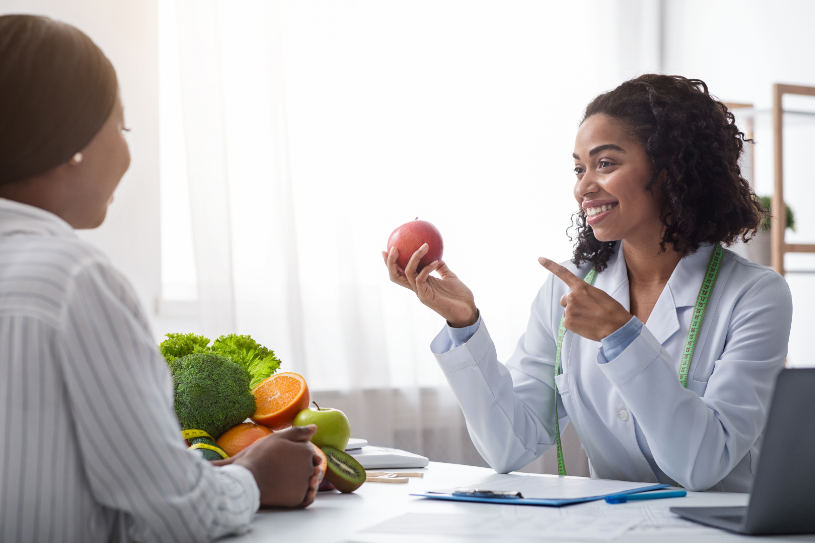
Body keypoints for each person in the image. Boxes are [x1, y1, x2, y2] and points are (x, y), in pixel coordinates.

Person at [384, 74, 793, 492]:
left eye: (606, 163)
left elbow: (704, 463)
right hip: (608, 528)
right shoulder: (568, 288)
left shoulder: (754, 295)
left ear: (671, 169)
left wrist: (622, 337)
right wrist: (463, 323)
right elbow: (510, 444)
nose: (583, 187)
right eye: (580, 168)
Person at [0, 14, 321, 542]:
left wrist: (193, 476)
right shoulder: (75, 283)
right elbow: (180, 515)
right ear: (72, 141)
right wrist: (253, 478)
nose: (127, 152)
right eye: (121, 128)